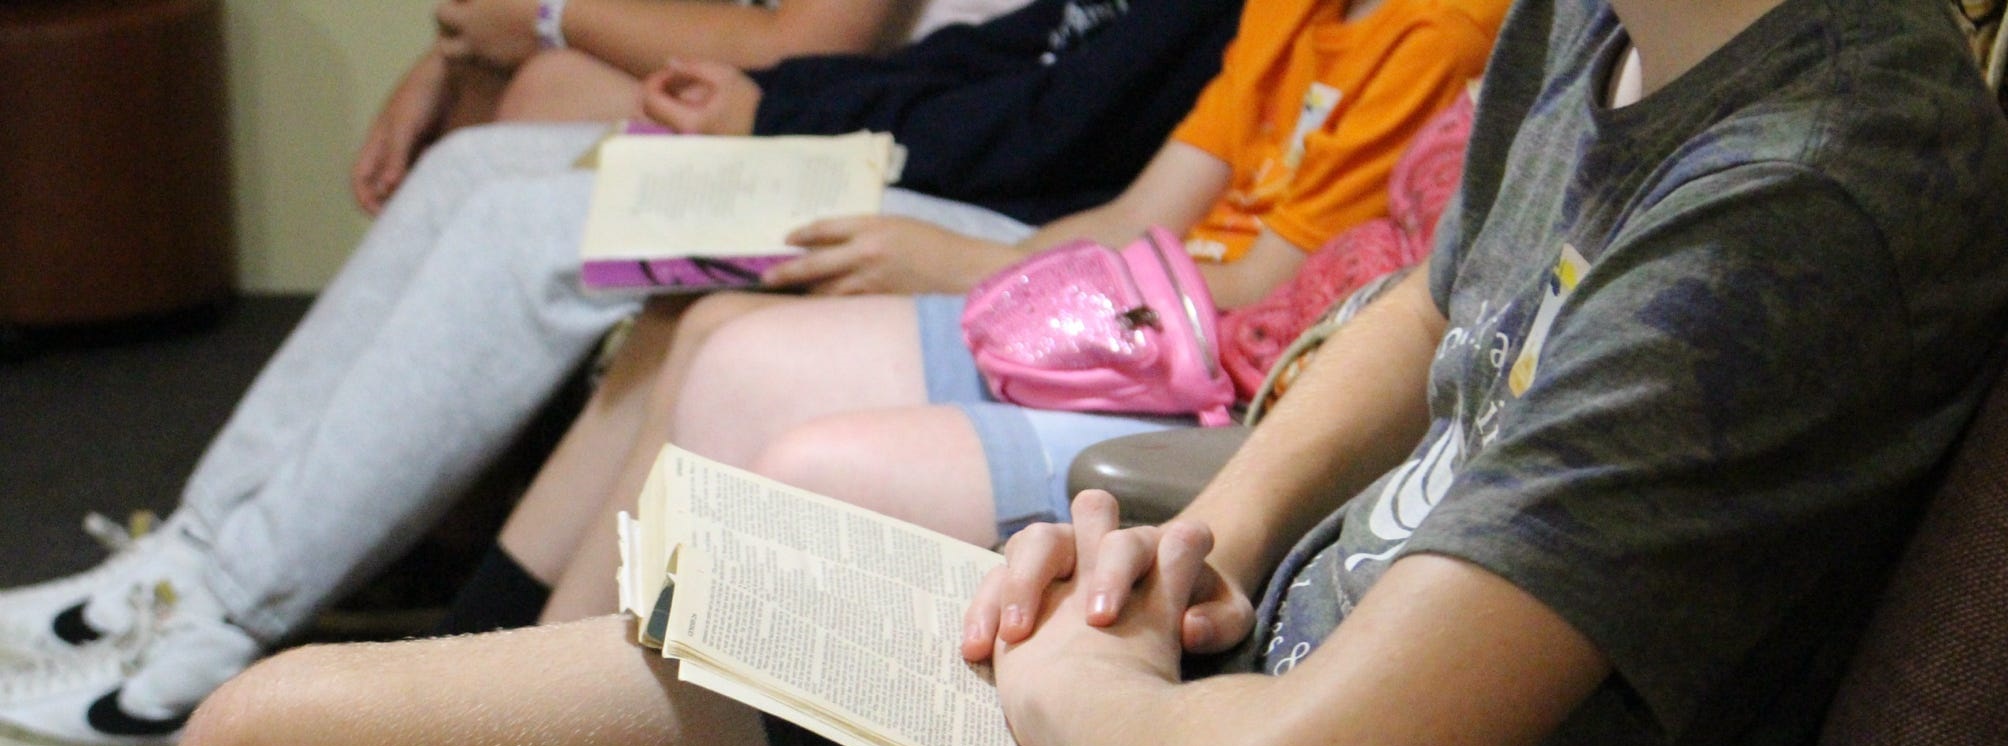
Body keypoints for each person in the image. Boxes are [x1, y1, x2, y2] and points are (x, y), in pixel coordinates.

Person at [91, 0, 2008, 746]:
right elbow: (1433, 286)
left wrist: (1073, 692)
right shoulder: (1618, 24)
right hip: (1186, 715)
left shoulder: (1804, 196)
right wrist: (1227, 520)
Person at [0, 0, 1241, 746]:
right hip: (959, 174)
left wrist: (769, 105)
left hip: (1023, 232)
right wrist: (770, 109)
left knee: (539, 239)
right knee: (483, 170)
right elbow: (996, 63)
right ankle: (196, 559)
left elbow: (1061, 135)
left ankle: (224, 614)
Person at [441, 0, 1510, 628]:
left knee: (769, 414)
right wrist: (984, 268)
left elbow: (1246, 292)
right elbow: (1142, 211)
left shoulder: (1446, 33)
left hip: (1188, 357)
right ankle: (514, 654)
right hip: (1134, 308)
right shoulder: (1294, 9)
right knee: (716, 335)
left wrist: (955, 262)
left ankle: (575, 707)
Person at [353, 0, 990, 215]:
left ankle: (453, 494)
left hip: (919, 123)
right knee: (491, 70)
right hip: (806, 90)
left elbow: (802, 48)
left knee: (550, 87)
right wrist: (446, 58)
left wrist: (547, 18)